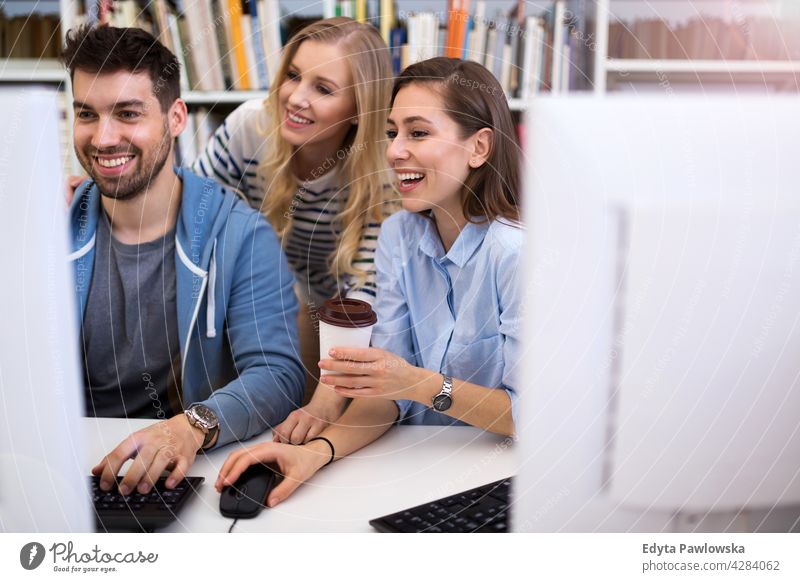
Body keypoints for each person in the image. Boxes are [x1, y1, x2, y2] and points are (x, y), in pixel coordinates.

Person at [216, 57, 523, 507]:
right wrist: (316, 455)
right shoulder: (399, 235)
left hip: (498, 480)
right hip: (409, 467)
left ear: (479, 148)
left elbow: (525, 414)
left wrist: (416, 382)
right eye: (392, 132)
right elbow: (389, 397)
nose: (396, 151)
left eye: (418, 133)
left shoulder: (515, 255)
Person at [62, 25, 305, 496]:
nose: (103, 137)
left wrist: (190, 427)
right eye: (86, 114)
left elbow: (278, 375)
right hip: (64, 466)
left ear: (176, 118)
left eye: (128, 114)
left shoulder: (240, 234)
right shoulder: (47, 229)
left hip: (187, 471)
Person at [192, 17, 395, 444]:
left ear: (359, 108)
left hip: (332, 322)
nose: (295, 98)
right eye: (293, 76)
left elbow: (363, 296)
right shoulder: (250, 129)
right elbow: (193, 214)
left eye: (323, 88)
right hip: (248, 298)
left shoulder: (381, 173)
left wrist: (324, 402)